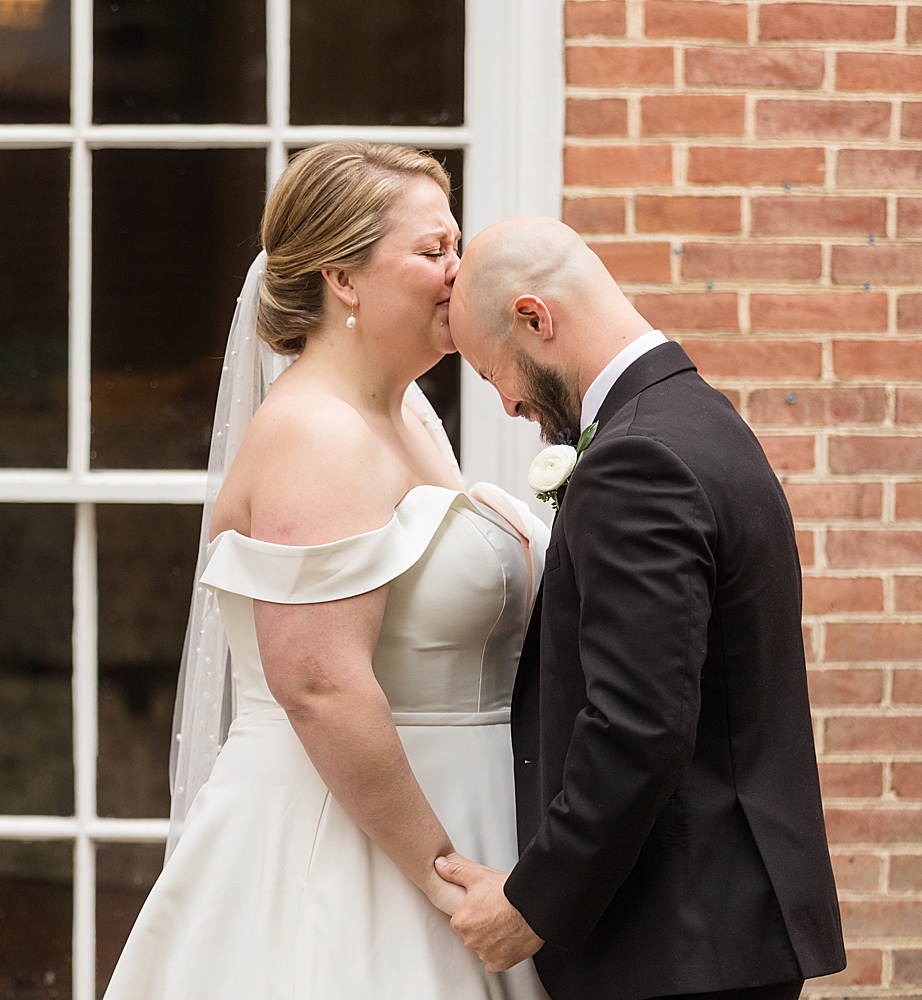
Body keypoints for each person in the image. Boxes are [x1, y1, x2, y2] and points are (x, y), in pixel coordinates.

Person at [103, 143, 550, 998]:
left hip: (463, 823)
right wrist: (442, 879)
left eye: (456, 246)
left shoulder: (408, 413)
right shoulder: (315, 433)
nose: (461, 272)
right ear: (343, 278)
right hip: (352, 852)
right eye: (431, 253)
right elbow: (318, 683)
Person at [436, 217, 846, 1000]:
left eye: (495, 374)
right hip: (718, 930)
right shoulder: (701, 421)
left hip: (677, 942)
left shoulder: (636, 459)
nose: (510, 404)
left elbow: (638, 725)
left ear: (535, 318)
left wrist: (533, 905)